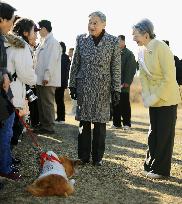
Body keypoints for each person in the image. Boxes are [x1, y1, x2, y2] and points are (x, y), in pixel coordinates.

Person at [69, 11, 121, 166]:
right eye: (90, 22)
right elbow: (75, 64)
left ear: (104, 24)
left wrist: (116, 89)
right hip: (84, 86)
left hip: (103, 88)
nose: (91, 26)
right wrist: (72, 84)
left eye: (95, 22)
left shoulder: (112, 41)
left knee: (100, 124)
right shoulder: (81, 39)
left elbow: (116, 68)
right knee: (83, 123)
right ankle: (83, 156)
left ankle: (97, 158)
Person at [132, 18, 181, 179]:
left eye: (136, 34)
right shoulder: (141, 51)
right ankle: (150, 164)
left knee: (164, 134)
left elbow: (169, 77)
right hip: (153, 98)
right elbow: (144, 76)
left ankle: (161, 170)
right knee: (153, 132)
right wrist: (146, 96)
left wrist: (154, 96)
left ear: (146, 35)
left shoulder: (161, 47)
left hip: (167, 97)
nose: (133, 38)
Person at [7, 18, 37, 151]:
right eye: (33, 31)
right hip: (13, 93)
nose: (36, 34)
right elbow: (25, 73)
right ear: (25, 33)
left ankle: (7, 160)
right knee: (13, 129)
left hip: (7, 92)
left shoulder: (8, 43)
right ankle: (6, 163)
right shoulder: (21, 46)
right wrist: (35, 80)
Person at [0, 1, 21, 181]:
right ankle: (4, 168)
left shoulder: (2, 37)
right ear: (1, 19)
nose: (12, 25)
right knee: (5, 131)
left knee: (8, 128)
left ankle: (5, 165)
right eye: (11, 21)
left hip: (4, 94)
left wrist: (5, 74)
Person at [35, 20, 62, 134]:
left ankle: (49, 126)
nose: (37, 32)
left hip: (47, 79)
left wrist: (47, 76)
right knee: (41, 103)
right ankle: (44, 125)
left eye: (38, 29)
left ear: (44, 29)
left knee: (47, 103)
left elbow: (51, 61)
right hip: (40, 78)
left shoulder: (53, 43)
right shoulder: (44, 42)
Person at [112, 35, 137, 130]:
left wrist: (127, 82)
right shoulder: (114, 53)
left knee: (124, 105)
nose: (116, 43)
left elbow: (131, 69)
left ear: (123, 41)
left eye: (118, 41)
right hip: (114, 84)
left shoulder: (129, 54)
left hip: (124, 85)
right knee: (115, 105)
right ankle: (116, 123)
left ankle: (127, 124)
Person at [55, 42, 71, 124]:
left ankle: (61, 118)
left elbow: (63, 72)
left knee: (60, 100)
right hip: (61, 82)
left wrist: (60, 83)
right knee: (58, 100)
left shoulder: (63, 57)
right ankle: (59, 117)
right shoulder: (64, 57)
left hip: (60, 83)